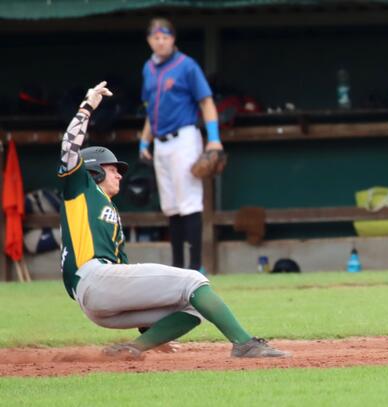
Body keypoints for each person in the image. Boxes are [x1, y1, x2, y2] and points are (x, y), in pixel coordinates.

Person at [59, 81, 287, 359]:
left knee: (192, 307)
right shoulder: (80, 188)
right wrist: (87, 106)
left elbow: (131, 283)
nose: (119, 174)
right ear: (93, 171)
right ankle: (245, 344)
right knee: (194, 280)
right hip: (94, 278)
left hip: (101, 300)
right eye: (112, 169)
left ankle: (133, 349)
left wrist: (154, 332)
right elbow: (69, 147)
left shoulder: (108, 212)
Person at [138, 17, 221, 273]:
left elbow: (206, 102)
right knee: (171, 206)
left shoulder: (186, 66)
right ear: (149, 40)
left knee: (189, 203)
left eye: (165, 36)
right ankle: (177, 268)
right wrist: (144, 141)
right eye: (155, 37)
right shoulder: (148, 69)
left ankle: (195, 267)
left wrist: (214, 138)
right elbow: (151, 109)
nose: (160, 41)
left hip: (184, 138)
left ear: (173, 39)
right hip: (160, 142)